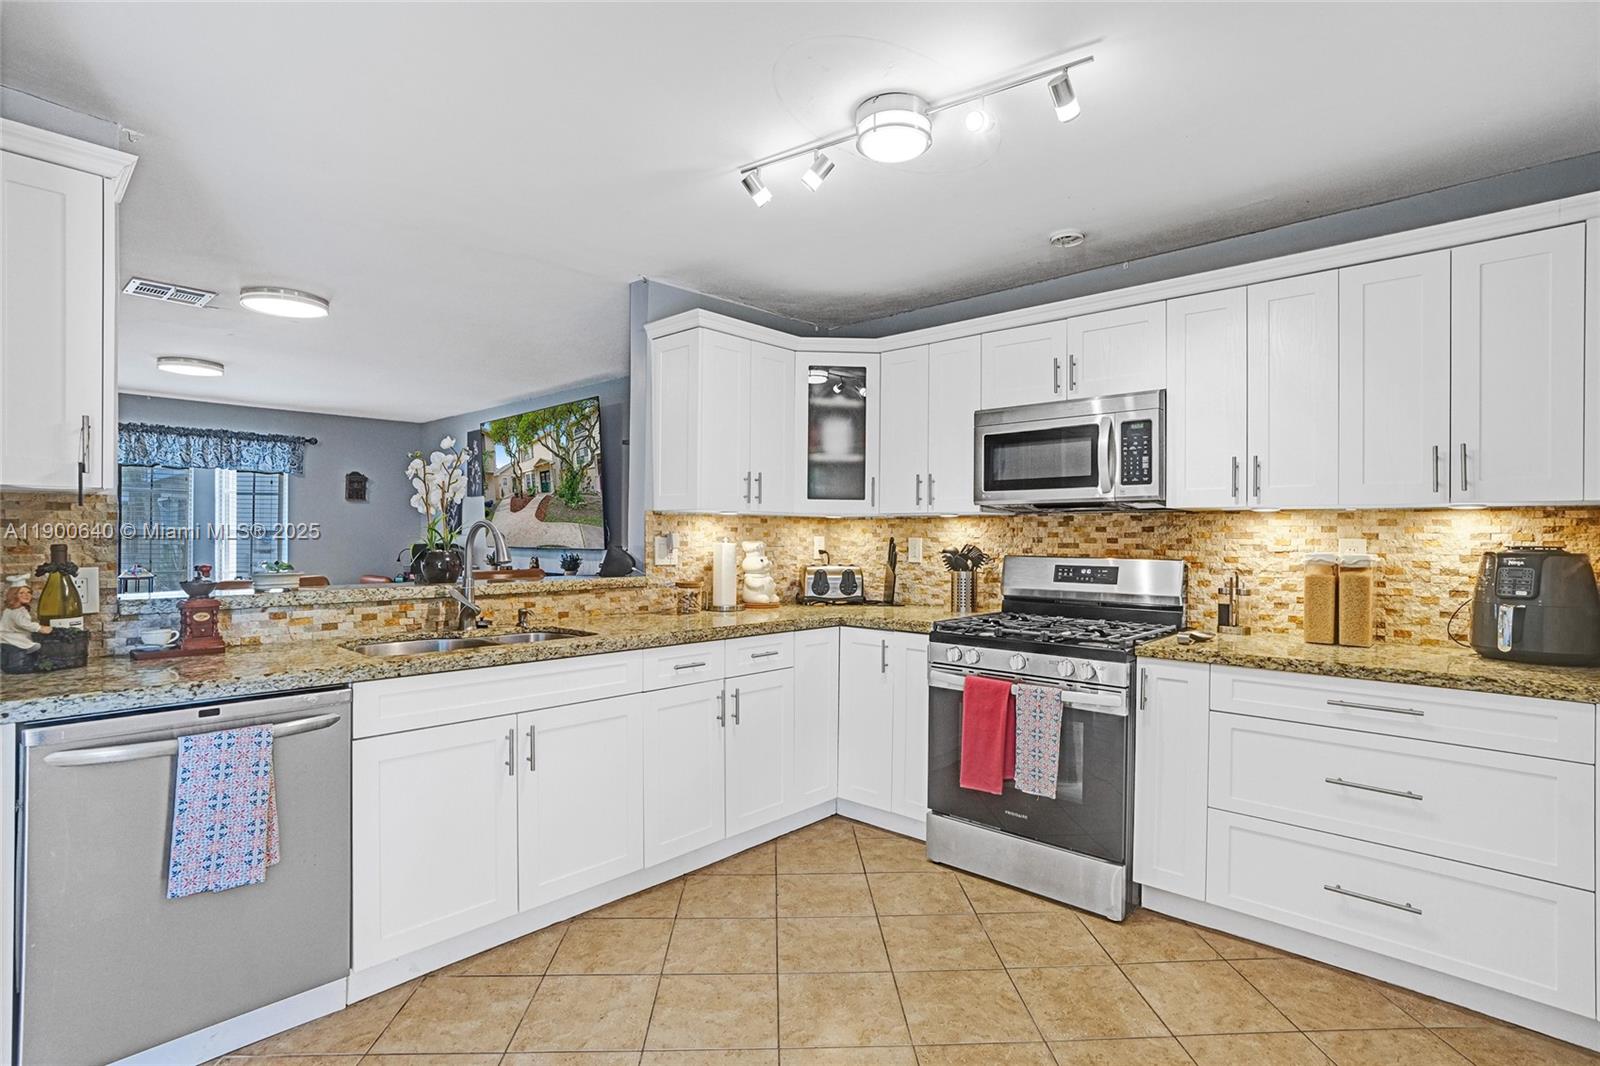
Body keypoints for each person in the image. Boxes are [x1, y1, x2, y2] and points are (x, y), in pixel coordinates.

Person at [0, 577, 51, 651]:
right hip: (13, 642)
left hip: (9, 642)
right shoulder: (16, 611)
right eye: (21, 593)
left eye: (29, 592)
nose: (26, 595)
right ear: (14, 595)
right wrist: (40, 628)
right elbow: (24, 623)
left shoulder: (12, 609)